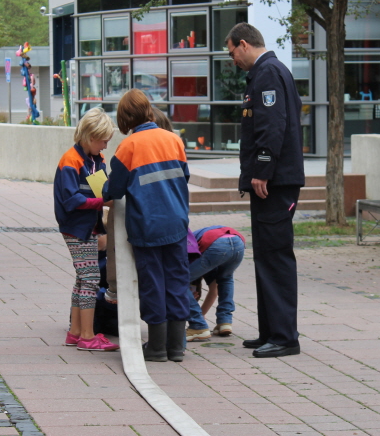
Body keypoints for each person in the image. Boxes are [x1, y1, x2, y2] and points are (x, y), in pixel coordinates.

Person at [225, 22, 305, 358]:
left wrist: (262, 170)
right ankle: (271, 330)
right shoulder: (265, 72)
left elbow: (272, 126)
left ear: (244, 44)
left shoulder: (269, 72)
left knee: (276, 257)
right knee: (267, 257)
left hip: (275, 182)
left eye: (232, 53)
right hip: (273, 180)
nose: (233, 60)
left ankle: (285, 337)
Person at [104, 89, 191, 363]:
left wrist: (102, 186)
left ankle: (156, 348)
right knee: (177, 281)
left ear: (126, 117)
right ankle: (177, 347)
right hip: (177, 222)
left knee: (153, 284)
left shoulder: (128, 147)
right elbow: (184, 176)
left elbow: (114, 190)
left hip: (147, 226)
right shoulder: (174, 140)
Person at [54, 107, 119, 352]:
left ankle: (76, 332)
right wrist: (103, 202)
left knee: (83, 278)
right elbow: (72, 201)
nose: (105, 146)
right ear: (91, 136)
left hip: (87, 227)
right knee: (91, 280)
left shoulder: (93, 160)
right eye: (103, 141)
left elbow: (102, 189)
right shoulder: (72, 160)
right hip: (76, 228)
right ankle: (88, 336)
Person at [185, 226, 245, 341]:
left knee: (179, 283)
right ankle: (225, 322)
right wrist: (201, 314)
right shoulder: (206, 261)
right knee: (226, 278)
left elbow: (182, 283)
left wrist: (199, 318)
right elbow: (214, 291)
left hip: (215, 244)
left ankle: (198, 326)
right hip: (238, 242)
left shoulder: (192, 257)